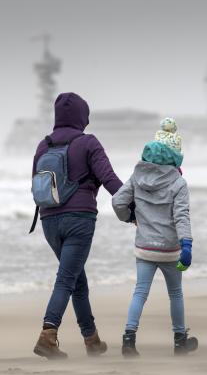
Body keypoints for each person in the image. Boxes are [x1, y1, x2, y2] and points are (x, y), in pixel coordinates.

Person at [32, 92, 123, 359]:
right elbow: (110, 180)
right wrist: (134, 209)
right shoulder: (88, 142)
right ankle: (48, 335)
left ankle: (91, 339)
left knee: (76, 279)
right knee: (66, 279)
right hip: (79, 220)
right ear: (82, 116)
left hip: (48, 221)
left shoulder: (43, 145)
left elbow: (36, 186)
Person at [112, 118, 198, 357]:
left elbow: (117, 201)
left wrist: (129, 216)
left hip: (145, 248)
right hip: (170, 250)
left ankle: (129, 340)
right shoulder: (179, 182)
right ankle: (180, 341)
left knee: (140, 292)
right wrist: (187, 244)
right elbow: (182, 217)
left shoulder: (136, 176)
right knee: (175, 294)